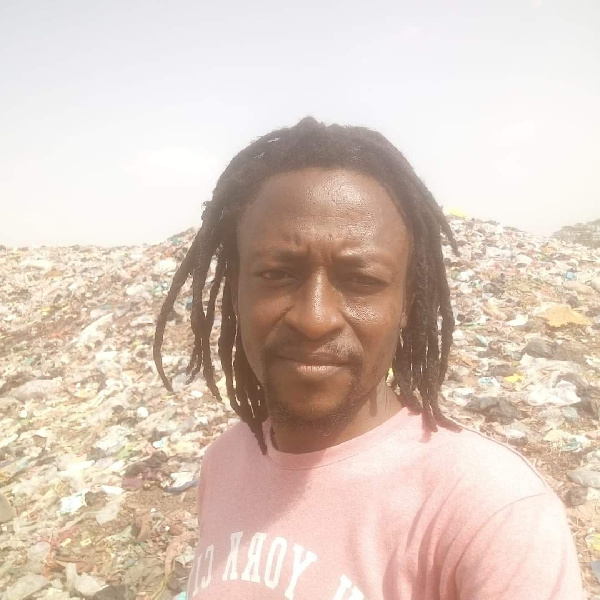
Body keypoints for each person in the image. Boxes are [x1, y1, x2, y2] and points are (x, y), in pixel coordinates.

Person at [154, 118, 582, 599]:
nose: (314, 319)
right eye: (276, 274)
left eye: (362, 281)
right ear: (236, 292)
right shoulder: (225, 464)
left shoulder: (491, 515)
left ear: (406, 304)